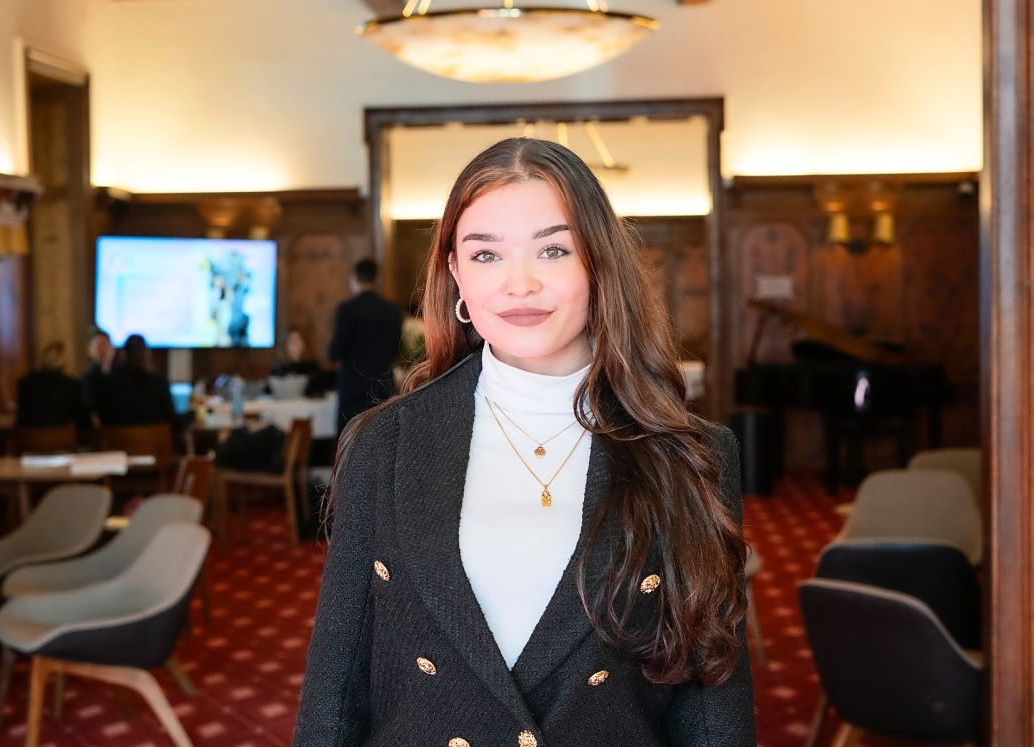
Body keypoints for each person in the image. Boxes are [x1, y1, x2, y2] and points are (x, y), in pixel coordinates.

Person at [294, 138, 754, 746]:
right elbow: (335, 690)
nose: (520, 284)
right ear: (456, 274)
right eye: (486, 255)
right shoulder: (384, 445)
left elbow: (712, 709)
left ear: (598, 265)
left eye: (553, 249)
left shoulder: (691, 456)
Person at [327, 258, 404, 433]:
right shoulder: (392, 311)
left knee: (349, 442)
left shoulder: (347, 310)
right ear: (376, 279)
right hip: (383, 389)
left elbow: (334, 352)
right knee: (382, 440)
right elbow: (397, 349)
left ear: (354, 278)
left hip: (353, 391)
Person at [94, 334, 175, 426]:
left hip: (115, 435)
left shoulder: (108, 381)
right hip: (152, 435)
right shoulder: (158, 382)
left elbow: (101, 415)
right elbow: (172, 418)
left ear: (123, 353)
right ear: (147, 353)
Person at [15, 341, 90, 432]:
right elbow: (83, 420)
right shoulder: (71, 385)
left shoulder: (25, 383)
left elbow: (21, 419)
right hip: (61, 438)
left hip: (28, 438)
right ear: (64, 360)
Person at [270, 327, 334, 397]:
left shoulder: (311, 366)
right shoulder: (279, 368)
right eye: (292, 341)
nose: (296, 344)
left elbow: (321, 387)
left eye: (299, 339)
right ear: (285, 344)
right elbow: (271, 390)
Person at [79, 326, 115, 414]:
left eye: (106, 345)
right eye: (99, 346)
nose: (104, 350)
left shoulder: (122, 375)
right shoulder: (87, 379)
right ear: (90, 350)